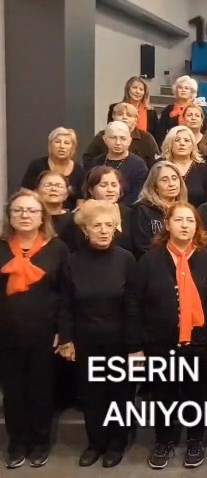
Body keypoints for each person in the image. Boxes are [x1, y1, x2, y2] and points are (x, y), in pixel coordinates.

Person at [130, 202, 207, 470]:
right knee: (163, 396)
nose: (185, 225)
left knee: (198, 395)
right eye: (179, 220)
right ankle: (164, 441)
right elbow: (134, 304)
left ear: (197, 226)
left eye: (190, 221)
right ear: (167, 225)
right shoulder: (149, 260)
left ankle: (196, 441)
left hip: (199, 344)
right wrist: (135, 346)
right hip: (160, 343)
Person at [0, 189, 71, 469]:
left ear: (42, 217)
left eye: (31, 211)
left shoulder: (57, 248)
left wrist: (63, 332)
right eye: (18, 210)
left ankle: (40, 443)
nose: (25, 215)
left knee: (41, 390)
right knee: (13, 392)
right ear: (9, 216)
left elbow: (66, 294)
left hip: (44, 333)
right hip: (6, 333)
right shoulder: (1, 247)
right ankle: (17, 443)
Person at [67, 200, 136, 468]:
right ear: (85, 229)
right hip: (86, 340)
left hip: (119, 341)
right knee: (91, 394)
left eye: (109, 225)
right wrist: (66, 338)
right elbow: (65, 304)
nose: (104, 230)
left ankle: (117, 443)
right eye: (97, 225)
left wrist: (134, 346)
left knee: (120, 394)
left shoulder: (126, 259)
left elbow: (132, 305)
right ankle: (95, 443)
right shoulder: (72, 261)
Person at [84, 121, 149, 207]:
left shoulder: (139, 165)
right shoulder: (96, 162)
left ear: (129, 141)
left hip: (127, 211)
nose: (118, 142)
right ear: (105, 139)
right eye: (113, 138)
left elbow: (137, 195)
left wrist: (115, 208)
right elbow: (89, 190)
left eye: (122, 138)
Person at [130, 161, 188, 256]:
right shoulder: (142, 210)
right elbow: (142, 247)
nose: (171, 184)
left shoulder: (186, 210)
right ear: (155, 186)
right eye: (164, 180)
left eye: (174, 178)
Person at [21, 127, 86, 210]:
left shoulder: (79, 170)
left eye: (66, 143)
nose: (62, 146)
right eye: (57, 142)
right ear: (50, 145)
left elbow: (81, 201)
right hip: (40, 211)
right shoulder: (37, 165)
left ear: (72, 148)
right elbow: (25, 193)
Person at [84, 102, 159, 168]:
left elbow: (156, 163)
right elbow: (88, 160)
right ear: (113, 117)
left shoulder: (146, 138)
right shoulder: (102, 135)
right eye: (120, 114)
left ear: (136, 120)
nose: (124, 117)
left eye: (129, 115)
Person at [160, 125, 207, 207]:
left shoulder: (202, 168)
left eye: (187, 140)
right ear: (169, 143)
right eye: (177, 140)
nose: (182, 143)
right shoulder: (161, 166)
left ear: (193, 145)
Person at [83, 166, 134, 251]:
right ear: (91, 190)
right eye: (103, 185)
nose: (110, 190)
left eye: (114, 185)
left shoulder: (132, 214)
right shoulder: (82, 216)